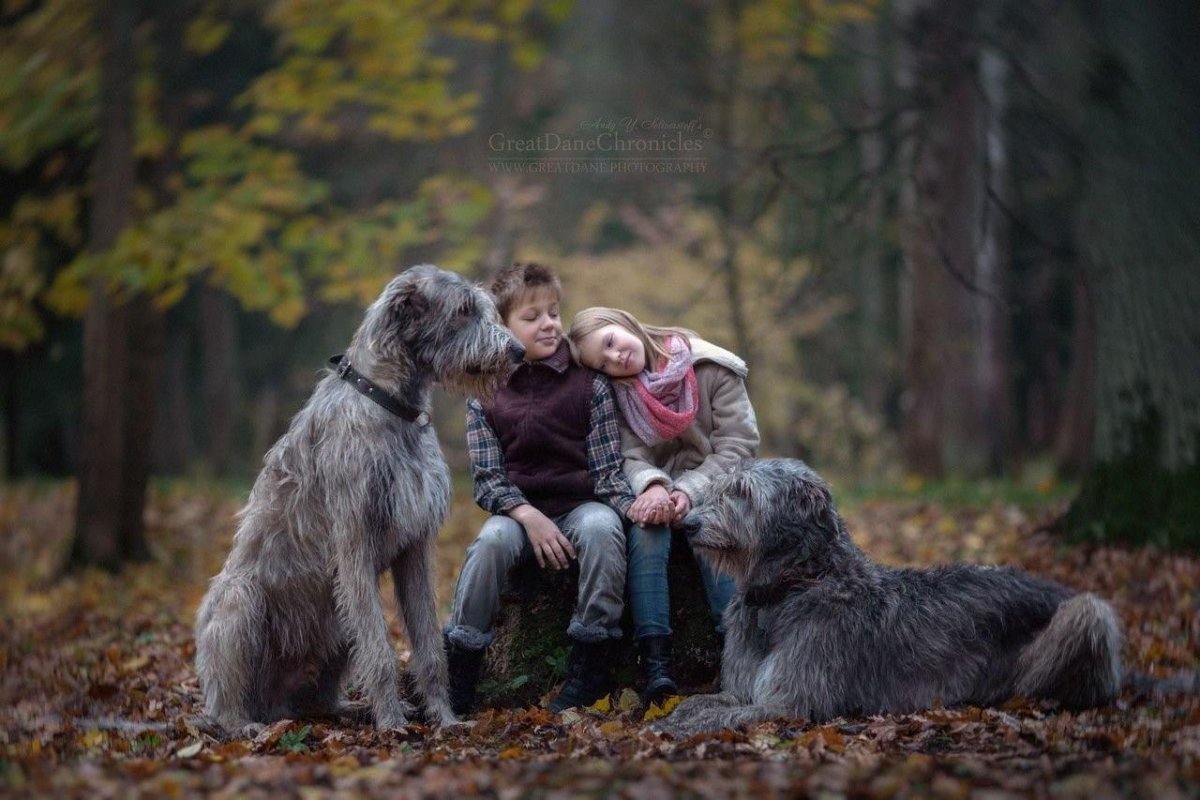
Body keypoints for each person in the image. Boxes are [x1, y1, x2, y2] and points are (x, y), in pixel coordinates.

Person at [444, 264, 636, 715]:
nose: (549, 324)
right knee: (489, 544)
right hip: (516, 513)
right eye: (532, 318)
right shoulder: (486, 392)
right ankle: (460, 672)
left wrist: (636, 508)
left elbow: (608, 471)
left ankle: (590, 664)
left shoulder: (590, 383)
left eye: (553, 312)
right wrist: (527, 516)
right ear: (503, 328)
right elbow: (489, 481)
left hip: (581, 505)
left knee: (603, 529)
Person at [568, 307, 759, 706]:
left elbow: (738, 445)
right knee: (646, 535)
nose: (616, 358)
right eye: (604, 364)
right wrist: (653, 487)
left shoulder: (710, 365)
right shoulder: (620, 396)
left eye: (610, 342)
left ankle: (740, 654)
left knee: (713, 527)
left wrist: (689, 491)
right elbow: (629, 454)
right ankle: (657, 664)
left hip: (718, 487)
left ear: (624, 322)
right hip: (656, 496)